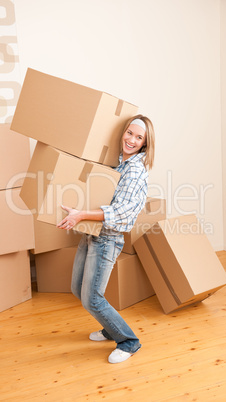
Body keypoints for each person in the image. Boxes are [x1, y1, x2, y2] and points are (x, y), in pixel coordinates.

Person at [57, 114, 155, 364]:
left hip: (107, 239)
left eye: (138, 137)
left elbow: (120, 212)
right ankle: (110, 329)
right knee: (78, 289)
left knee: (92, 298)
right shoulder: (119, 162)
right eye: (129, 133)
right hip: (92, 234)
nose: (131, 140)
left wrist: (81, 215)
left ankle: (129, 341)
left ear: (145, 143)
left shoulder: (134, 170)